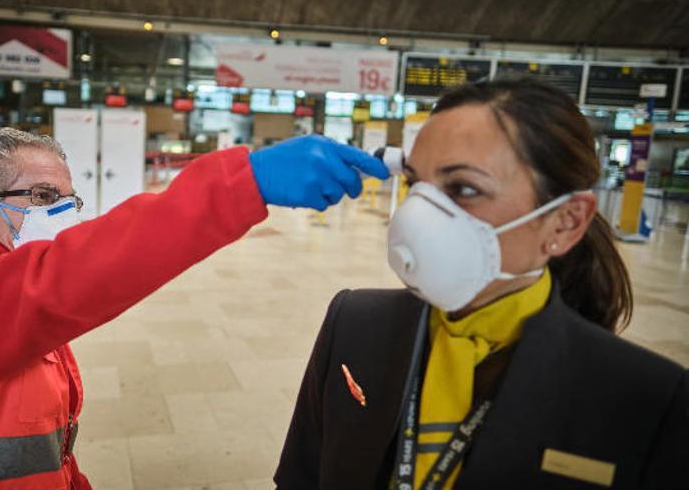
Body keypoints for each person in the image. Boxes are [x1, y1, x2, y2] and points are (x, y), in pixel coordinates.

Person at [0, 128, 390, 489]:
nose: (62, 215)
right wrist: (243, 184)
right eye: (43, 195)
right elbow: (86, 270)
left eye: (68, 200)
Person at [275, 79, 688, 490]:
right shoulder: (353, 324)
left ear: (566, 221)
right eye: (416, 183)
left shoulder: (649, 401)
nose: (420, 215)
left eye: (465, 189)